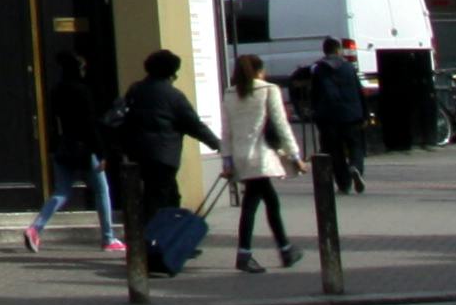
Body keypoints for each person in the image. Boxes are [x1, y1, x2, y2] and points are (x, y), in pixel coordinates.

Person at [105, 50, 222, 270]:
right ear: (171, 72)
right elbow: (193, 124)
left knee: (163, 196)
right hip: (163, 156)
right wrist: (217, 144)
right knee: (160, 201)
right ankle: (155, 245)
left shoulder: (135, 90)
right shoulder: (173, 96)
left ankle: (169, 241)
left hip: (138, 154)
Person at [21, 47, 121, 255]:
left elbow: (52, 120)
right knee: (102, 191)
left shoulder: (57, 90)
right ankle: (108, 237)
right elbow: (89, 125)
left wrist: (52, 147)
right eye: (83, 67)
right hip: (85, 149)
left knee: (61, 191)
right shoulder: (82, 91)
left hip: (64, 146)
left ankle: (35, 228)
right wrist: (100, 152)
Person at [218, 54, 303, 270]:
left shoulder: (230, 93)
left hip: (241, 157)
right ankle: (247, 254)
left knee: (264, 202)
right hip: (261, 156)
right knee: (256, 205)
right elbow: (280, 124)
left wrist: (227, 162)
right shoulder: (267, 90)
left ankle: (284, 249)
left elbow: (226, 132)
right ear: (258, 71)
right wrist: (295, 156)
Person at [304, 38, 371, 197]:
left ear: (324, 51)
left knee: (335, 152)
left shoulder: (318, 70)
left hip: (328, 117)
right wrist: (365, 114)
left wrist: (314, 112)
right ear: (338, 50)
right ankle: (355, 166)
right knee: (356, 145)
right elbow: (358, 90)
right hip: (351, 114)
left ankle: (344, 184)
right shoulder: (348, 67)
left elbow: (314, 94)